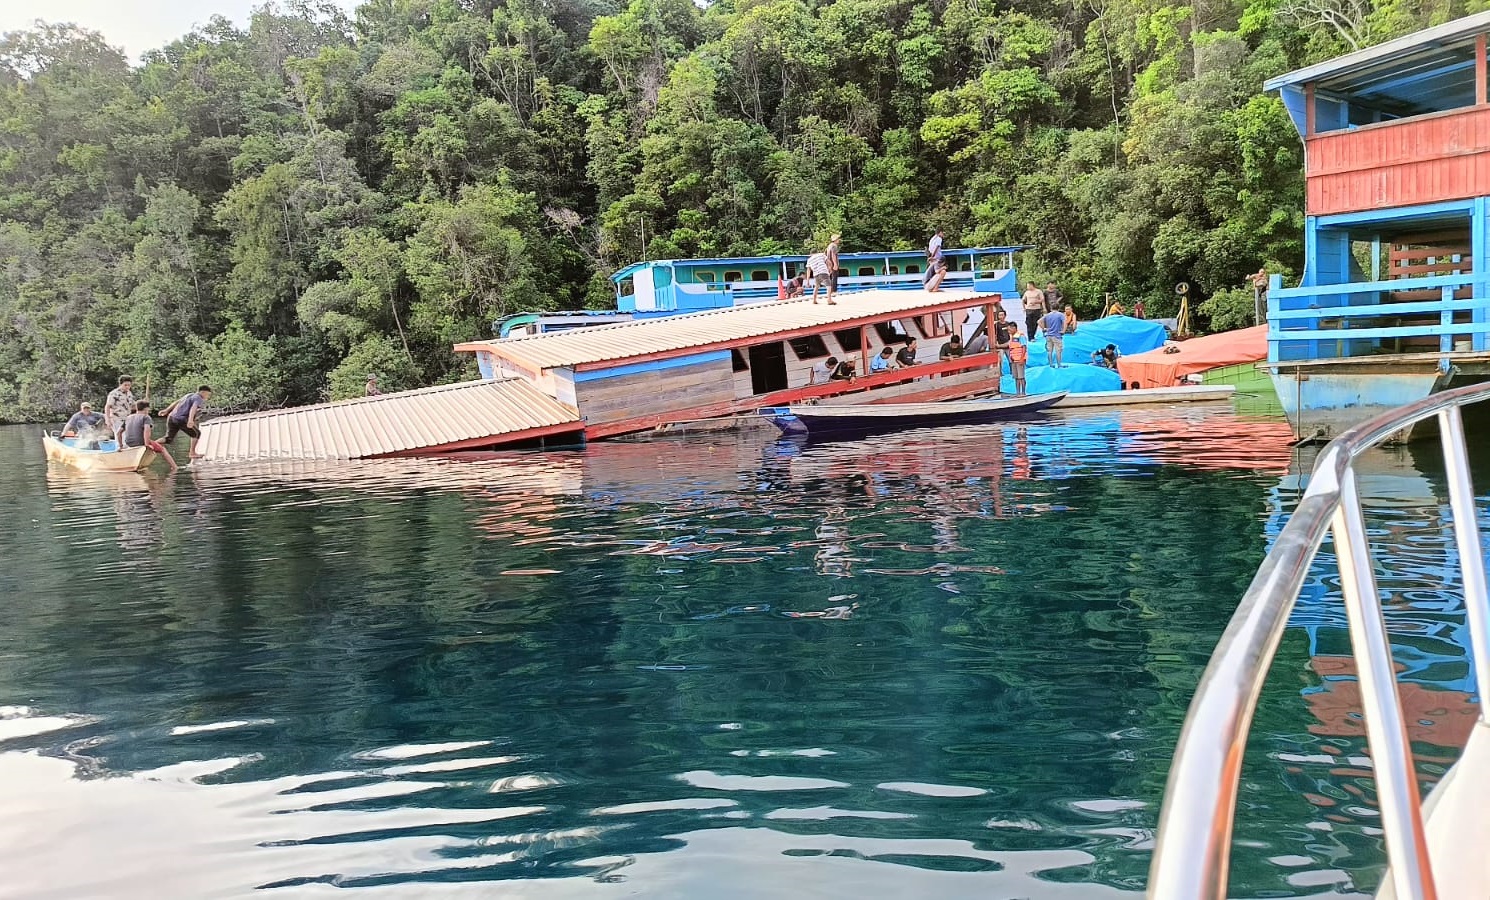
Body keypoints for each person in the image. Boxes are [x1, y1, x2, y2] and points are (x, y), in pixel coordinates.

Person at [121, 400, 177, 471]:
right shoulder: (146, 417)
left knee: (154, 445)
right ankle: (175, 467)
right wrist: (147, 444)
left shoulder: (128, 418)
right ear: (146, 409)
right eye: (148, 409)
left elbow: (119, 432)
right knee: (163, 449)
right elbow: (146, 430)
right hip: (141, 442)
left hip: (129, 442)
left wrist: (120, 445)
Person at [162, 385, 211, 458]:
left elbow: (177, 402)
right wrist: (190, 420)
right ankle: (192, 453)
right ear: (202, 392)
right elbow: (193, 408)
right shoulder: (198, 398)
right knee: (196, 434)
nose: (208, 397)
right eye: (207, 394)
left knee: (168, 438)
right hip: (181, 419)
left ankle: (153, 444)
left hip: (171, 417)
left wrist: (166, 410)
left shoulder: (189, 395)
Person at [104, 375, 137, 451]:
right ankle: (119, 450)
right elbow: (108, 406)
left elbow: (133, 406)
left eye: (129, 385)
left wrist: (143, 403)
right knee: (120, 436)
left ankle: (126, 450)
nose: (127, 387)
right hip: (116, 418)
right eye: (125, 385)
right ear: (120, 384)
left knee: (127, 436)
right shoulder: (114, 394)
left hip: (127, 418)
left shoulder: (129, 393)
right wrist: (107, 419)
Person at [1007, 328, 1029, 396]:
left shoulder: (1020, 336)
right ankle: (1018, 393)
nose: (1008, 331)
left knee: (1021, 377)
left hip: (1019, 359)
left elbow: (1024, 347)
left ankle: (1023, 392)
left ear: (1014, 328)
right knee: (1016, 377)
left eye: (1009, 329)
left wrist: (1022, 359)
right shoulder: (1012, 338)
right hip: (1014, 360)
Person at [824, 234, 842, 303]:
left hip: (829, 263)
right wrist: (835, 264)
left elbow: (825, 254)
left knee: (830, 277)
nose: (839, 240)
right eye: (838, 239)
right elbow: (833, 255)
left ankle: (830, 291)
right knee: (835, 276)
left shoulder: (829, 246)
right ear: (836, 240)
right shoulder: (834, 246)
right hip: (832, 263)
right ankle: (833, 290)